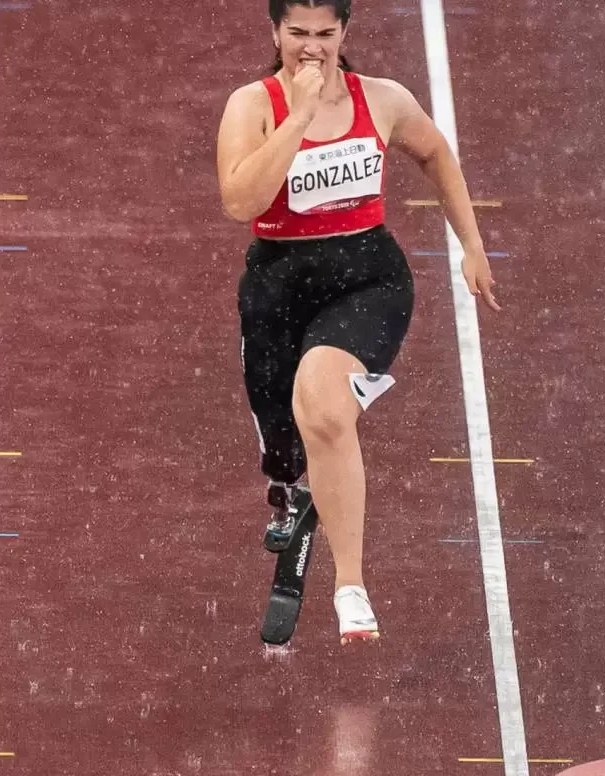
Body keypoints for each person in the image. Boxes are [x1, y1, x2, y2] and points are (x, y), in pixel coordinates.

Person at [215, 0, 499, 643]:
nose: (311, 48)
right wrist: (301, 118)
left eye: (324, 34)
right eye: (297, 35)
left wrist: (471, 245)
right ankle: (289, 487)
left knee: (325, 405)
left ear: (345, 33)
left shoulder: (384, 99)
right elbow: (241, 201)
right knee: (282, 432)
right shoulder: (252, 106)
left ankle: (351, 586)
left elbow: (436, 155)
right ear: (275, 33)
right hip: (279, 284)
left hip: (367, 278)